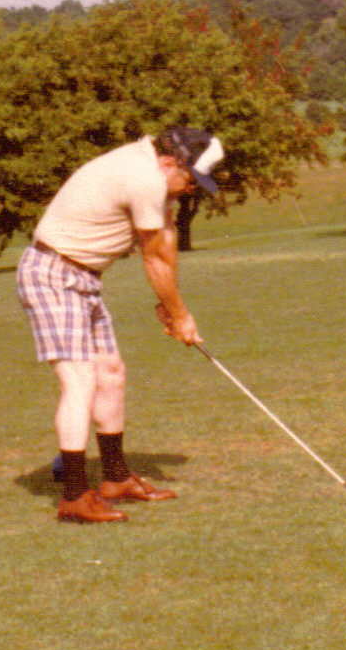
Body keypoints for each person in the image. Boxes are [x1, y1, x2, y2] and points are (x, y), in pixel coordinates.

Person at [15, 127, 225, 523]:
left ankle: (115, 479)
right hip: (52, 274)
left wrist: (171, 306)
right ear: (170, 163)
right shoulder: (144, 178)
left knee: (110, 373)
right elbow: (154, 256)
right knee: (80, 381)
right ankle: (75, 497)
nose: (190, 190)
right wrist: (179, 315)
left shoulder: (152, 171)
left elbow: (165, 240)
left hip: (83, 279)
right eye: (190, 180)